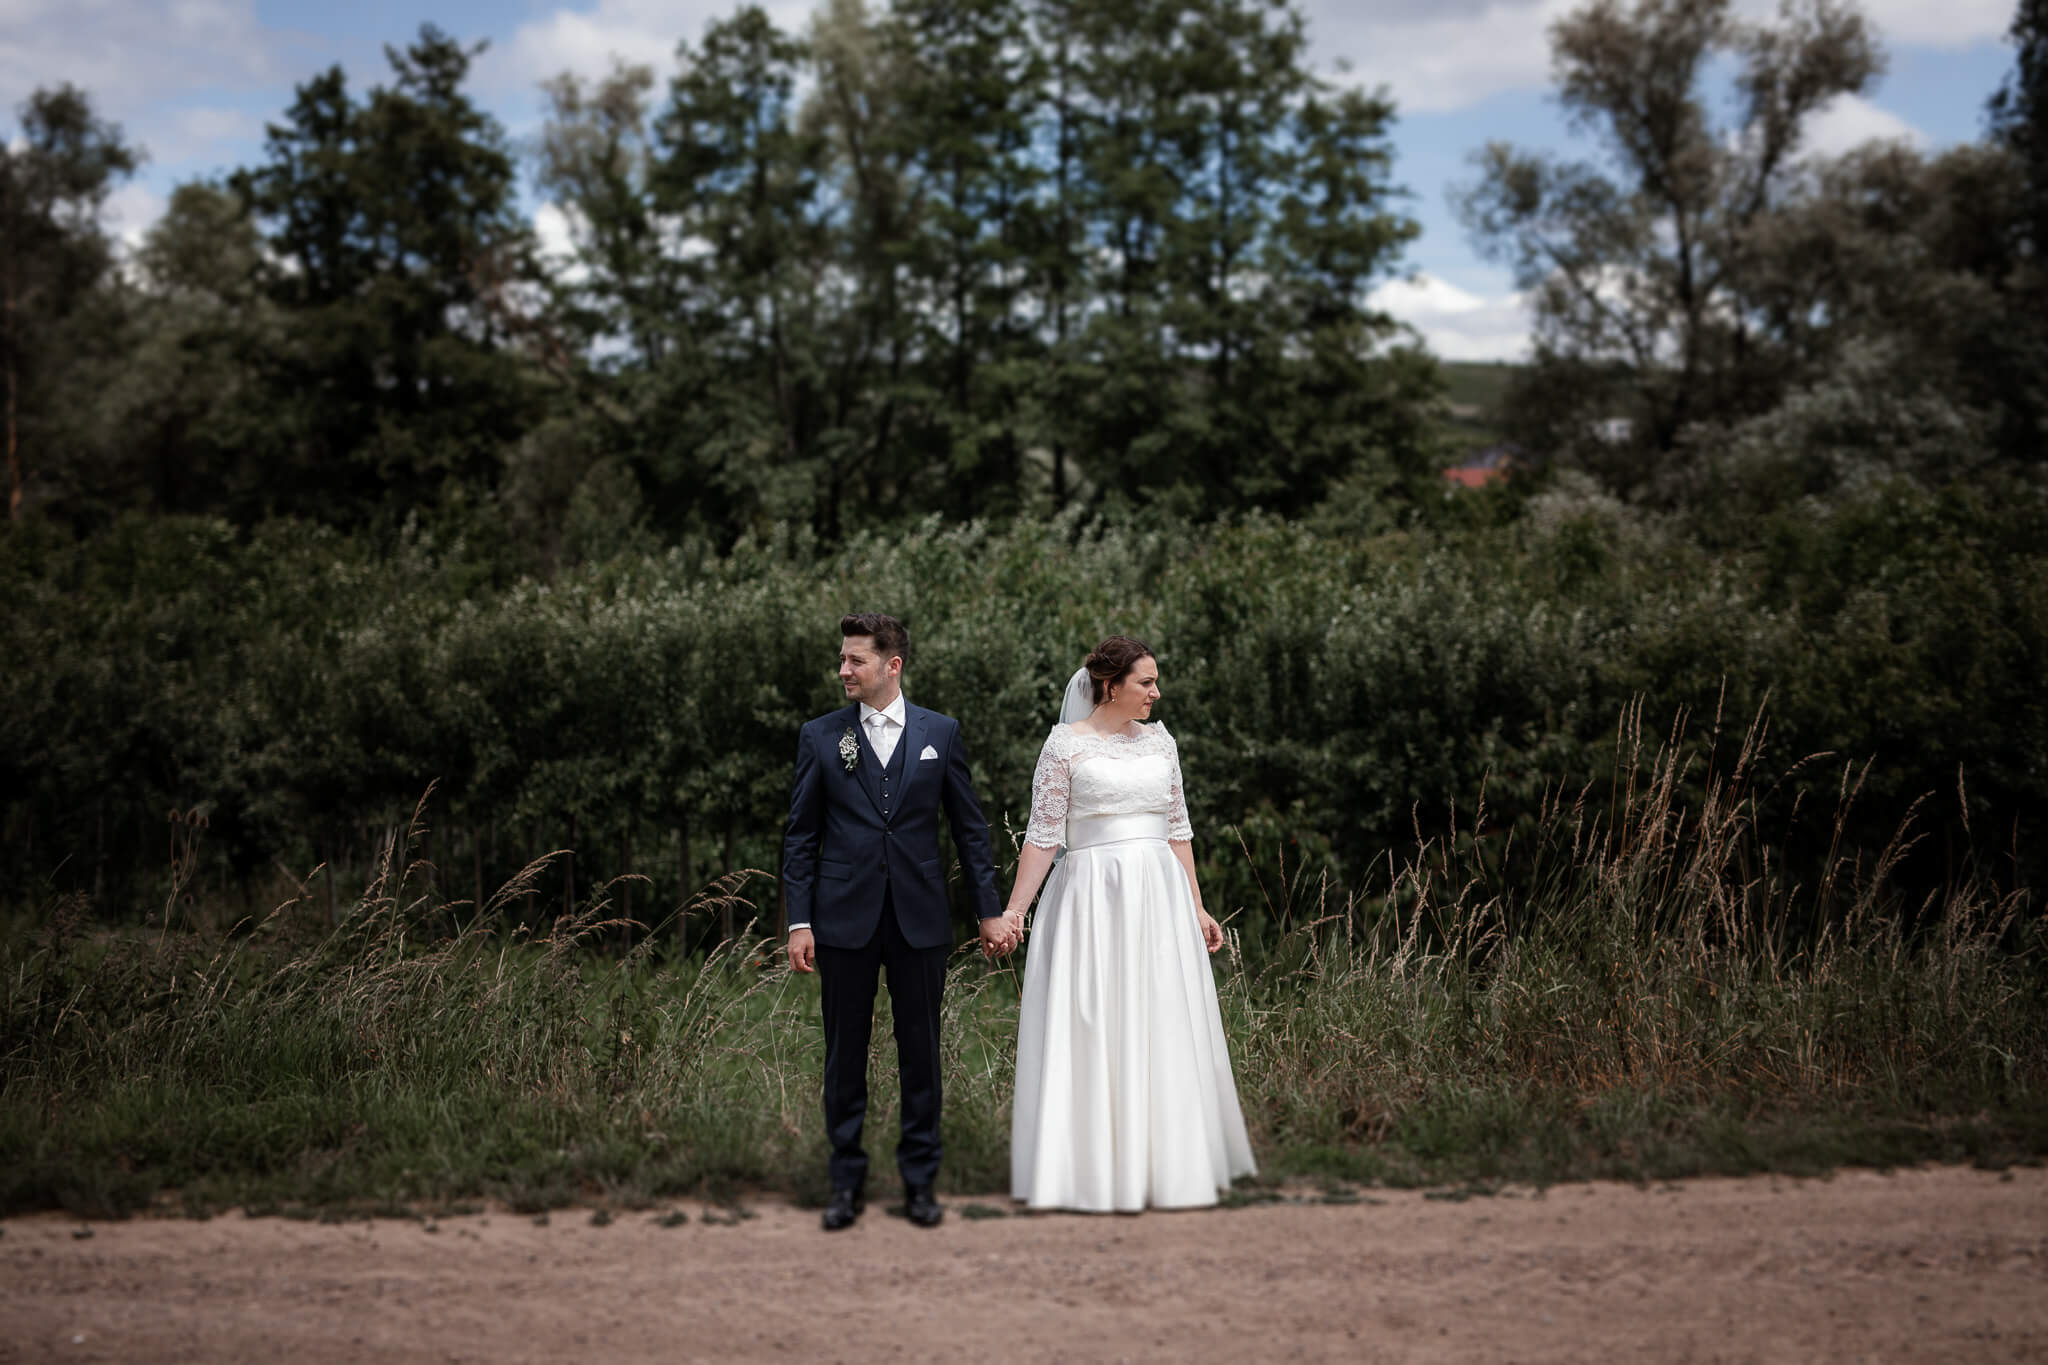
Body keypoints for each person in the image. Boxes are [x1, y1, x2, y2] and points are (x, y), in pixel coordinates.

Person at [998, 635, 1257, 1212]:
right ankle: (1086, 1169)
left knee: (1160, 1019)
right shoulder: (1064, 746)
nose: (1155, 692)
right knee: (1094, 1022)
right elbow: (1044, 838)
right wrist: (1016, 911)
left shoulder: (1162, 743)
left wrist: (1197, 905)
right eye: (1146, 682)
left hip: (1159, 898)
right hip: (1090, 898)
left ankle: (1168, 1167)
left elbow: (1178, 831)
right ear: (1110, 685)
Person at [781, 613, 1011, 1231]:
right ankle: (845, 1185)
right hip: (841, 921)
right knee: (843, 1057)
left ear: (892, 665)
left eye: (855, 660)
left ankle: (919, 1184)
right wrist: (798, 920)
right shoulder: (821, 736)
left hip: (920, 920)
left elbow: (969, 829)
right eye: (843, 659)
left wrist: (989, 911)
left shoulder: (942, 732)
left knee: (922, 1055)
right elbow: (801, 836)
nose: (844, 671)